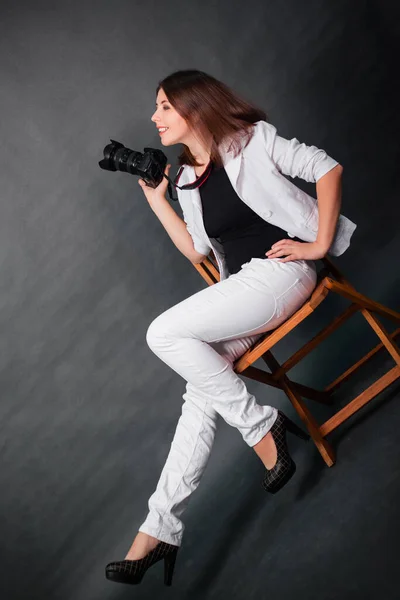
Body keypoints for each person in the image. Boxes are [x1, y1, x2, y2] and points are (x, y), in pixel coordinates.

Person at [105, 70, 356, 587]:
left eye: (164, 108)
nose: (154, 118)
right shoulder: (188, 180)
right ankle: (159, 529)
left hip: (284, 273)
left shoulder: (254, 141)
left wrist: (317, 244)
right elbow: (198, 250)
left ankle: (263, 429)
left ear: (194, 108)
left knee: (163, 334)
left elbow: (326, 168)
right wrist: (158, 200)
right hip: (241, 290)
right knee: (202, 390)